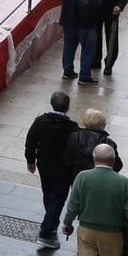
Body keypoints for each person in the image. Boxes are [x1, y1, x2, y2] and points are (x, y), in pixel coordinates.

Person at [24, 90, 79, 246]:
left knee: (48, 193)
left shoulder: (40, 121)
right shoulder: (72, 127)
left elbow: (30, 141)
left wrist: (30, 160)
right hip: (63, 168)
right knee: (58, 198)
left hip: (44, 165)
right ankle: (46, 232)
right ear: (67, 107)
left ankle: (51, 222)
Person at [57, 0, 100, 83]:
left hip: (69, 23)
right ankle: (85, 76)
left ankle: (68, 71)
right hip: (85, 25)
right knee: (88, 49)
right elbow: (96, 5)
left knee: (69, 47)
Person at [64, 108, 123, 175]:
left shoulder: (74, 137)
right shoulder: (109, 144)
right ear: (102, 124)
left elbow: (68, 160)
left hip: (78, 177)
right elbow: (117, 166)